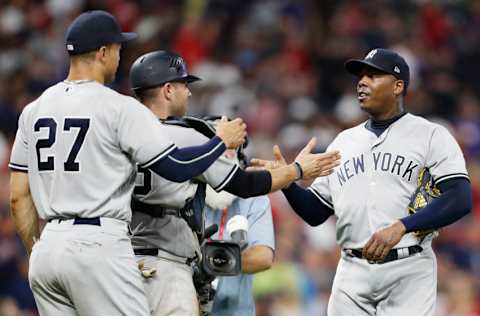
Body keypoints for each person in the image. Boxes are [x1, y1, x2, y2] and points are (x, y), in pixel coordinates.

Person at [8, 10, 248, 316]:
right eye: (118, 50)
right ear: (103, 53)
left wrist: (37, 250)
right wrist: (220, 142)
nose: (120, 57)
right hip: (97, 243)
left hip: (48, 251)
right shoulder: (118, 107)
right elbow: (175, 168)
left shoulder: (34, 110)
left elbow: (17, 196)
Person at [250, 48, 472, 315]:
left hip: (409, 267)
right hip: (351, 269)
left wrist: (403, 226)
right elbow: (315, 211)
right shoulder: (344, 141)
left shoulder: (431, 135)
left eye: (373, 75)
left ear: (398, 86)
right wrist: (287, 180)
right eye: (360, 76)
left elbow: (459, 197)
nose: (362, 82)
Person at [127, 50, 340, 316]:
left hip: (122, 264)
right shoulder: (189, 136)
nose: (189, 93)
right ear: (168, 90)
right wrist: (296, 171)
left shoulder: (120, 132)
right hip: (167, 265)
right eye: (184, 85)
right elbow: (243, 184)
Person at [204, 152, 274, 316]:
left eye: (230, 149)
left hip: (235, 310)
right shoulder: (187, 191)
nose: (224, 155)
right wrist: (232, 257)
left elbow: (262, 258)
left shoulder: (254, 197)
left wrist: (208, 262)